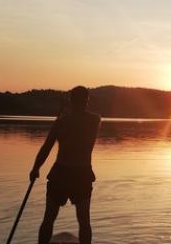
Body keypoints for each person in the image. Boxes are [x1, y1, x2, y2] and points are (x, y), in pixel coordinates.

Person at [30, 86, 101, 244]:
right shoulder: (94, 120)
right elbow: (80, 122)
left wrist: (36, 168)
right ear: (86, 101)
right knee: (84, 220)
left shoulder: (61, 123)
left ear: (71, 101)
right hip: (81, 174)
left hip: (61, 173)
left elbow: (47, 147)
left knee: (49, 218)